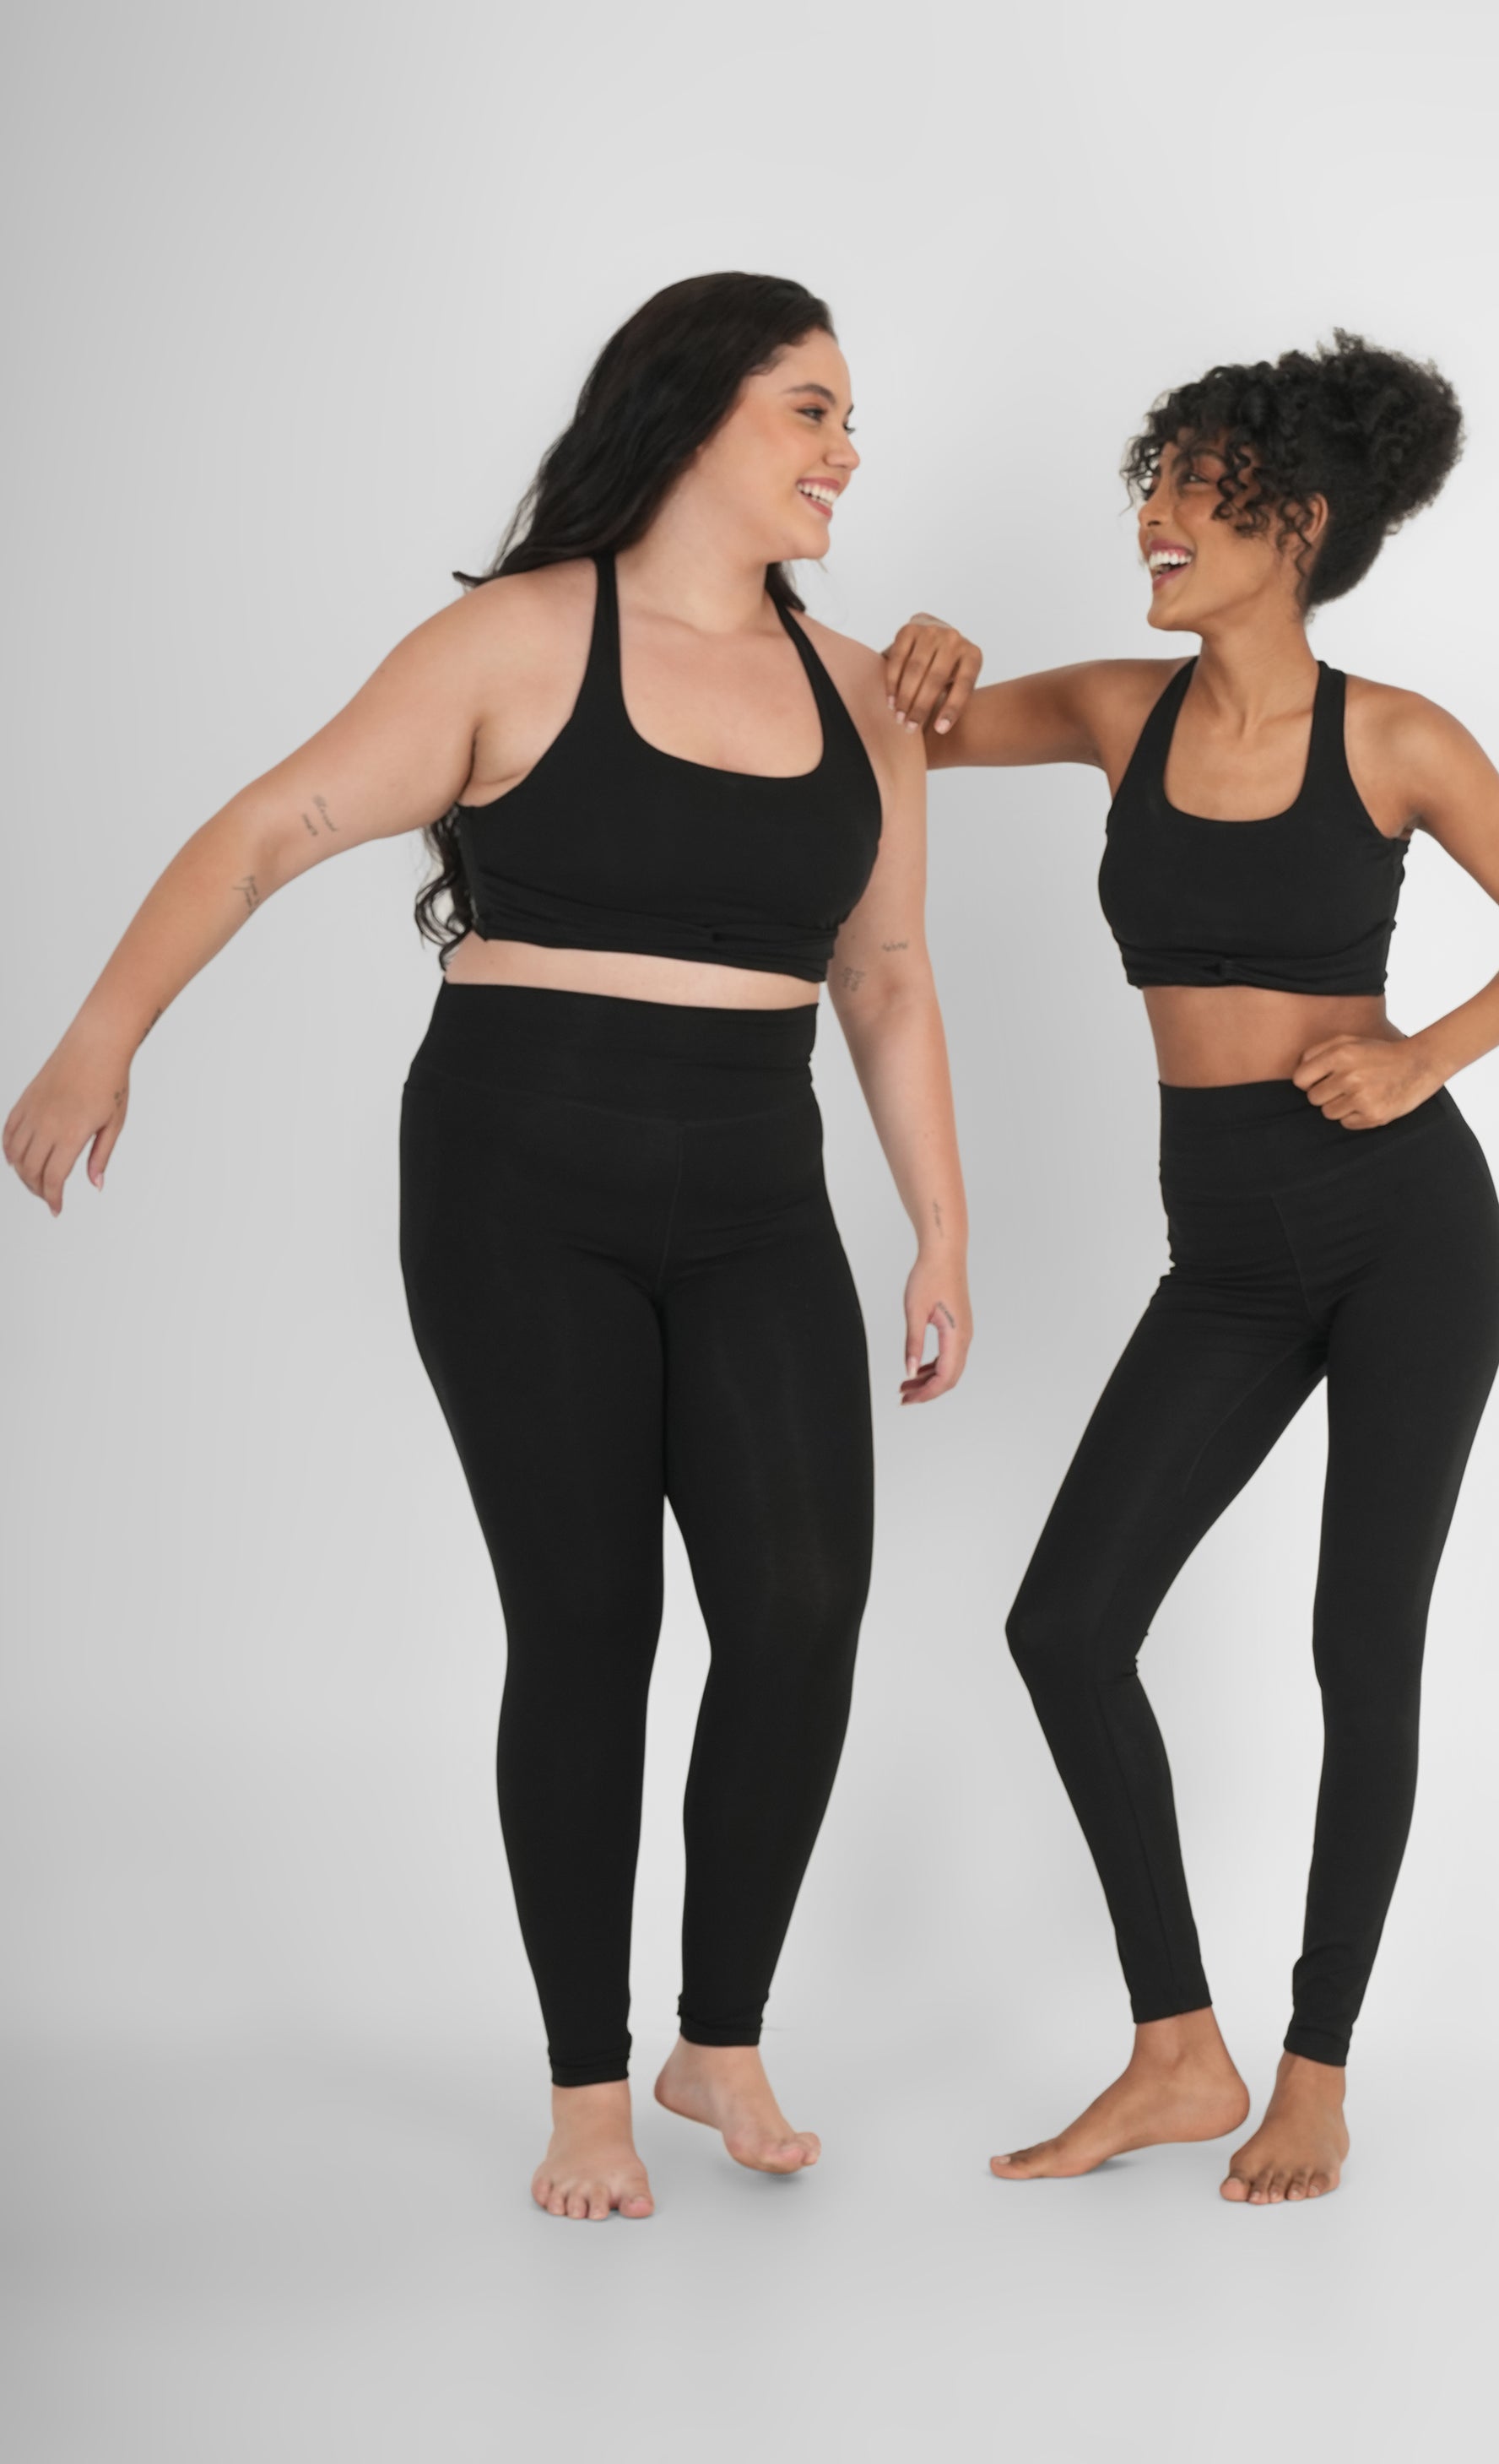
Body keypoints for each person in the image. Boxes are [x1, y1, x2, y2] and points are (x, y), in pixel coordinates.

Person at [5, 272, 973, 2224]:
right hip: (518, 1179)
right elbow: (271, 826)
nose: (847, 451)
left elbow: (882, 973)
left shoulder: (866, 691)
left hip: (756, 1181)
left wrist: (940, 1224)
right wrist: (105, 1030)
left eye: (850, 417)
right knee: (590, 1623)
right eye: (810, 409)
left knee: (801, 1606)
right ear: (692, 410)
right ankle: (586, 2087)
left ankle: (718, 2035)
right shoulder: (518, 639)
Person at [885, 331, 1499, 2202]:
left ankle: (1314, 2071)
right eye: (1155, 480)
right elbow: (899, 727)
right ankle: (1176, 2052)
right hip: (1222, 1255)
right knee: (1064, 1626)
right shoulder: (1116, 710)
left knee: (1358, 1647)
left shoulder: (1397, 738)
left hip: (1403, 1233)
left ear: (1296, 524)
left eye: (1196, 487)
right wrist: (921, 652)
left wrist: (1421, 1055)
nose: (1154, 513)